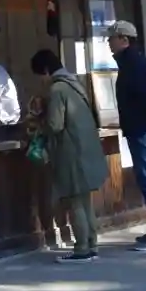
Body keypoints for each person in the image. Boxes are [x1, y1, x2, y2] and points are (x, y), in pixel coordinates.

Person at [30, 48, 107, 262]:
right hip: (87, 150)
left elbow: (55, 124)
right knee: (85, 201)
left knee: (74, 202)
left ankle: (82, 248)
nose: (42, 81)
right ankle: (91, 244)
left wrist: (39, 118)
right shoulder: (75, 84)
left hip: (71, 153)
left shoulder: (57, 90)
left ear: (46, 70)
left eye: (41, 75)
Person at [108, 20, 146, 252]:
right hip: (141, 128)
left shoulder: (134, 63)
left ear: (124, 39)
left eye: (112, 38)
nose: (109, 43)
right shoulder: (132, 62)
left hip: (143, 129)